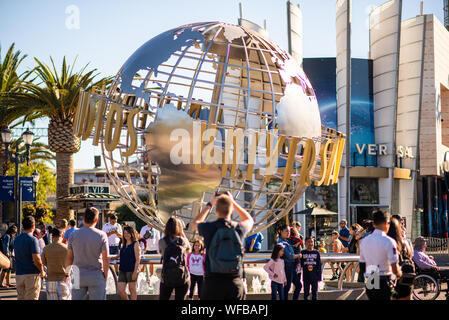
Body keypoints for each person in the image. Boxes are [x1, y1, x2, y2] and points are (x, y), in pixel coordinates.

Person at [191, 191, 254, 300]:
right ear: (232, 210)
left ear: (216, 211)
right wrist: (232, 202)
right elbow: (249, 220)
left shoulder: (209, 228)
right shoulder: (238, 228)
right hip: (234, 283)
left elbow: (194, 223)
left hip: (212, 283)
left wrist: (210, 203)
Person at [65, 207, 109, 300]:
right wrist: (105, 276)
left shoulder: (73, 234)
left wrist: (67, 274)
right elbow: (106, 258)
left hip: (77, 275)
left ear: (83, 219)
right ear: (96, 220)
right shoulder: (101, 235)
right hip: (95, 274)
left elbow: (69, 258)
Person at [359, 209, 402, 300]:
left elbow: (362, 265)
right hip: (384, 280)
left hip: (371, 279)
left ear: (373, 224)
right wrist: (399, 274)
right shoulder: (389, 242)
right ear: (387, 223)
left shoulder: (364, 241)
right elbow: (394, 267)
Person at [158, 217, 191, 300]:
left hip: (166, 277)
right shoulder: (183, 241)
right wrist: (182, 233)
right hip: (183, 276)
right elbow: (189, 250)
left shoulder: (162, 241)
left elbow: (161, 253)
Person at [13, 216, 45, 300]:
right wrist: (42, 271)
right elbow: (36, 259)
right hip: (32, 274)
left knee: (21, 297)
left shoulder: (16, 239)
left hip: (19, 274)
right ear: (33, 226)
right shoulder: (33, 240)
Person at [387, 217, 414, 300]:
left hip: (391, 280)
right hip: (405, 279)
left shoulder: (386, 243)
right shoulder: (404, 243)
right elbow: (410, 257)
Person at [110, 226, 141, 300]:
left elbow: (138, 259)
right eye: (125, 233)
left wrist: (135, 271)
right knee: (120, 290)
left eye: (128, 233)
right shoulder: (123, 243)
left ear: (131, 234)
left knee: (132, 290)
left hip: (131, 270)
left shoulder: (135, 244)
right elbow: (121, 254)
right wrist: (112, 258)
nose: (126, 235)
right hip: (122, 269)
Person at [41, 228, 71, 300]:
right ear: (62, 236)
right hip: (64, 279)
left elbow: (44, 262)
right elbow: (71, 263)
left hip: (51, 279)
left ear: (52, 236)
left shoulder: (46, 248)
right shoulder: (67, 248)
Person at [277, 225, 302, 300]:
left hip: (291, 267)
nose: (288, 233)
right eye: (286, 231)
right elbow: (289, 256)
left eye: (289, 231)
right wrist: (299, 255)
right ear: (280, 231)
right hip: (287, 267)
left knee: (298, 286)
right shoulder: (281, 243)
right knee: (287, 288)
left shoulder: (287, 241)